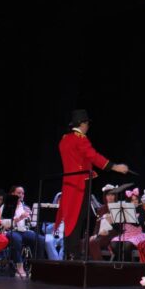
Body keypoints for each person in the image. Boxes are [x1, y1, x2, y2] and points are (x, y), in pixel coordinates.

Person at [55, 109, 129, 259]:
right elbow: (93, 156)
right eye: (87, 124)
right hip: (80, 183)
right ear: (82, 124)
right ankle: (73, 254)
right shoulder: (80, 139)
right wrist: (115, 167)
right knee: (78, 218)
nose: (88, 127)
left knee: (70, 218)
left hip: (68, 183)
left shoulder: (64, 139)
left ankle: (69, 253)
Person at [1, 185, 36, 278]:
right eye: (18, 193)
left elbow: (33, 225)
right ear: (12, 194)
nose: (21, 195)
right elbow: (4, 223)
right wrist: (19, 218)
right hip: (11, 231)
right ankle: (19, 267)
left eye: (22, 193)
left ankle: (37, 266)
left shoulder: (25, 207)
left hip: (24, 231)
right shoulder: (6, 206)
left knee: (39, 239)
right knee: (16, 239)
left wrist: (31, 217)